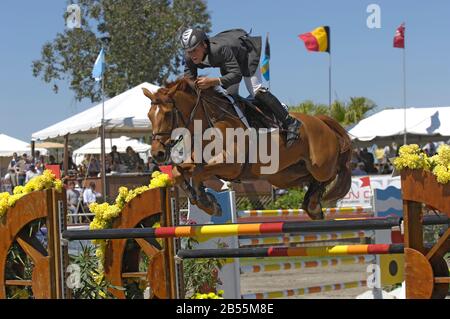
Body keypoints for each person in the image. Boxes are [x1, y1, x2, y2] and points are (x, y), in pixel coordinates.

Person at [180, 28, 301, 147]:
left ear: (204, 45)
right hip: (229, 60)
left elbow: (237, 76)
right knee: (230, 97)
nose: (192, 55)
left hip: (245, 53)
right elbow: (188, 85)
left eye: (194, 50)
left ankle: (290, 121)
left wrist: (213, 81)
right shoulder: (189, 58)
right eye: (188, 51)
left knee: (255, 90)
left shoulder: (219, 49)